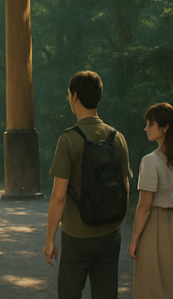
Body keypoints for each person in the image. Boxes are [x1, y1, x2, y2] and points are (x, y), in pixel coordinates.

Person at [43, 71, 131, 299]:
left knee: (70, 293)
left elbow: (59, 195)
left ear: (74, 97)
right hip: (110, 233)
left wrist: (50, 239)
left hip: (77, 235)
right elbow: (125, 187)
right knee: (106, 293)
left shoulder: (69, 139)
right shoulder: (116, 137)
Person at [128, 102, 173, 299]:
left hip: (154, 227)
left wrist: (134, 240)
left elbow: (145, 206)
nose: (146, 128)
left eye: (151, 124)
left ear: (166, 127)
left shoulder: (150, 161)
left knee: (152, 285)